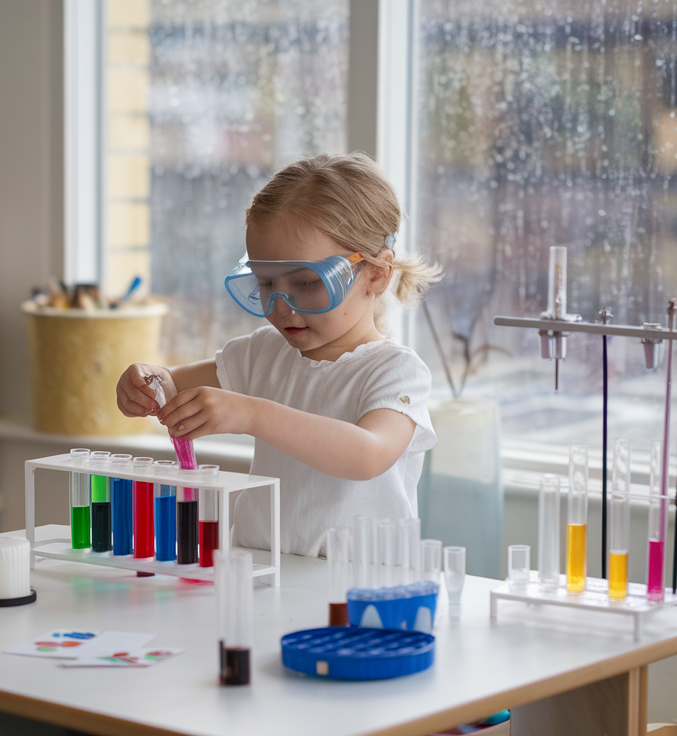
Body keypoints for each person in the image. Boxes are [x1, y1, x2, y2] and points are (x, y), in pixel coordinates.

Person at [115, 153, 441, 557]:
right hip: (264, 571)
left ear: (376, 273)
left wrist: (253, 415)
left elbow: (369, 455)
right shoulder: (263, 354)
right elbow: (170, 383)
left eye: (306, 283)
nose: (281, 305)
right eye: (265, 283)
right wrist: (146, 382)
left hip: (360, 581)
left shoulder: (396, 371)